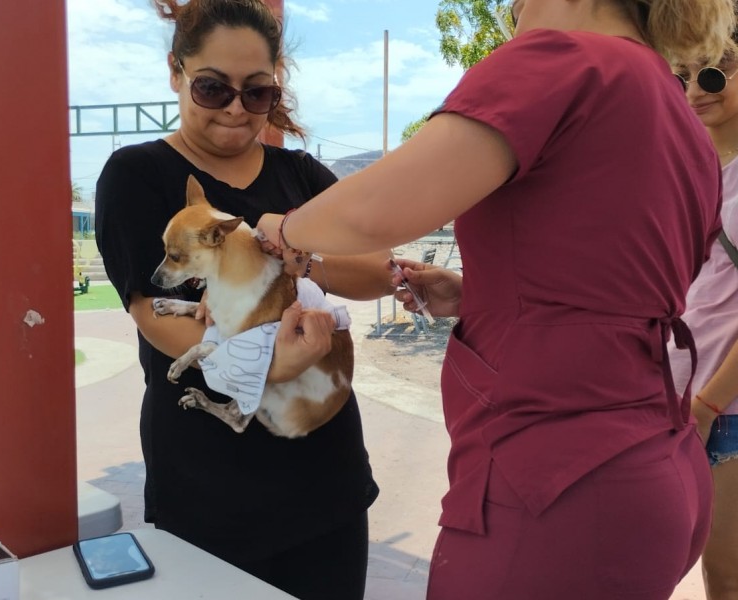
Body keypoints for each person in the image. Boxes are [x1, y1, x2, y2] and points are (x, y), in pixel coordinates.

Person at [255, 0, 737, 598]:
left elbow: (370, 211)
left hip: (556, 482)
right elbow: (612, 279)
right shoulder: (677, 112)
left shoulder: (562, 58)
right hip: (656, 460)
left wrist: (281, 230)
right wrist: (485, 297)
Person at [94, 1, 391, 598]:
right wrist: (267, 366)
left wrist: (296, 250)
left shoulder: (301, 175)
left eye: (257, 93)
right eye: (212, 87)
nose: (235, 107)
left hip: (325, 483)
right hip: (208, 493)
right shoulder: (138, 174)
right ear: (175, 72)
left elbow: (377, 270)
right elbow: (155, 314)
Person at [670, 43, 738, 600]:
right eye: (683, 75)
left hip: (724, 410)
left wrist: (708, 405)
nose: (697, 88)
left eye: (717, 69)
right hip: (670, 400)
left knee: (725, 574)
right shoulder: (688, 170)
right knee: (651, 562)